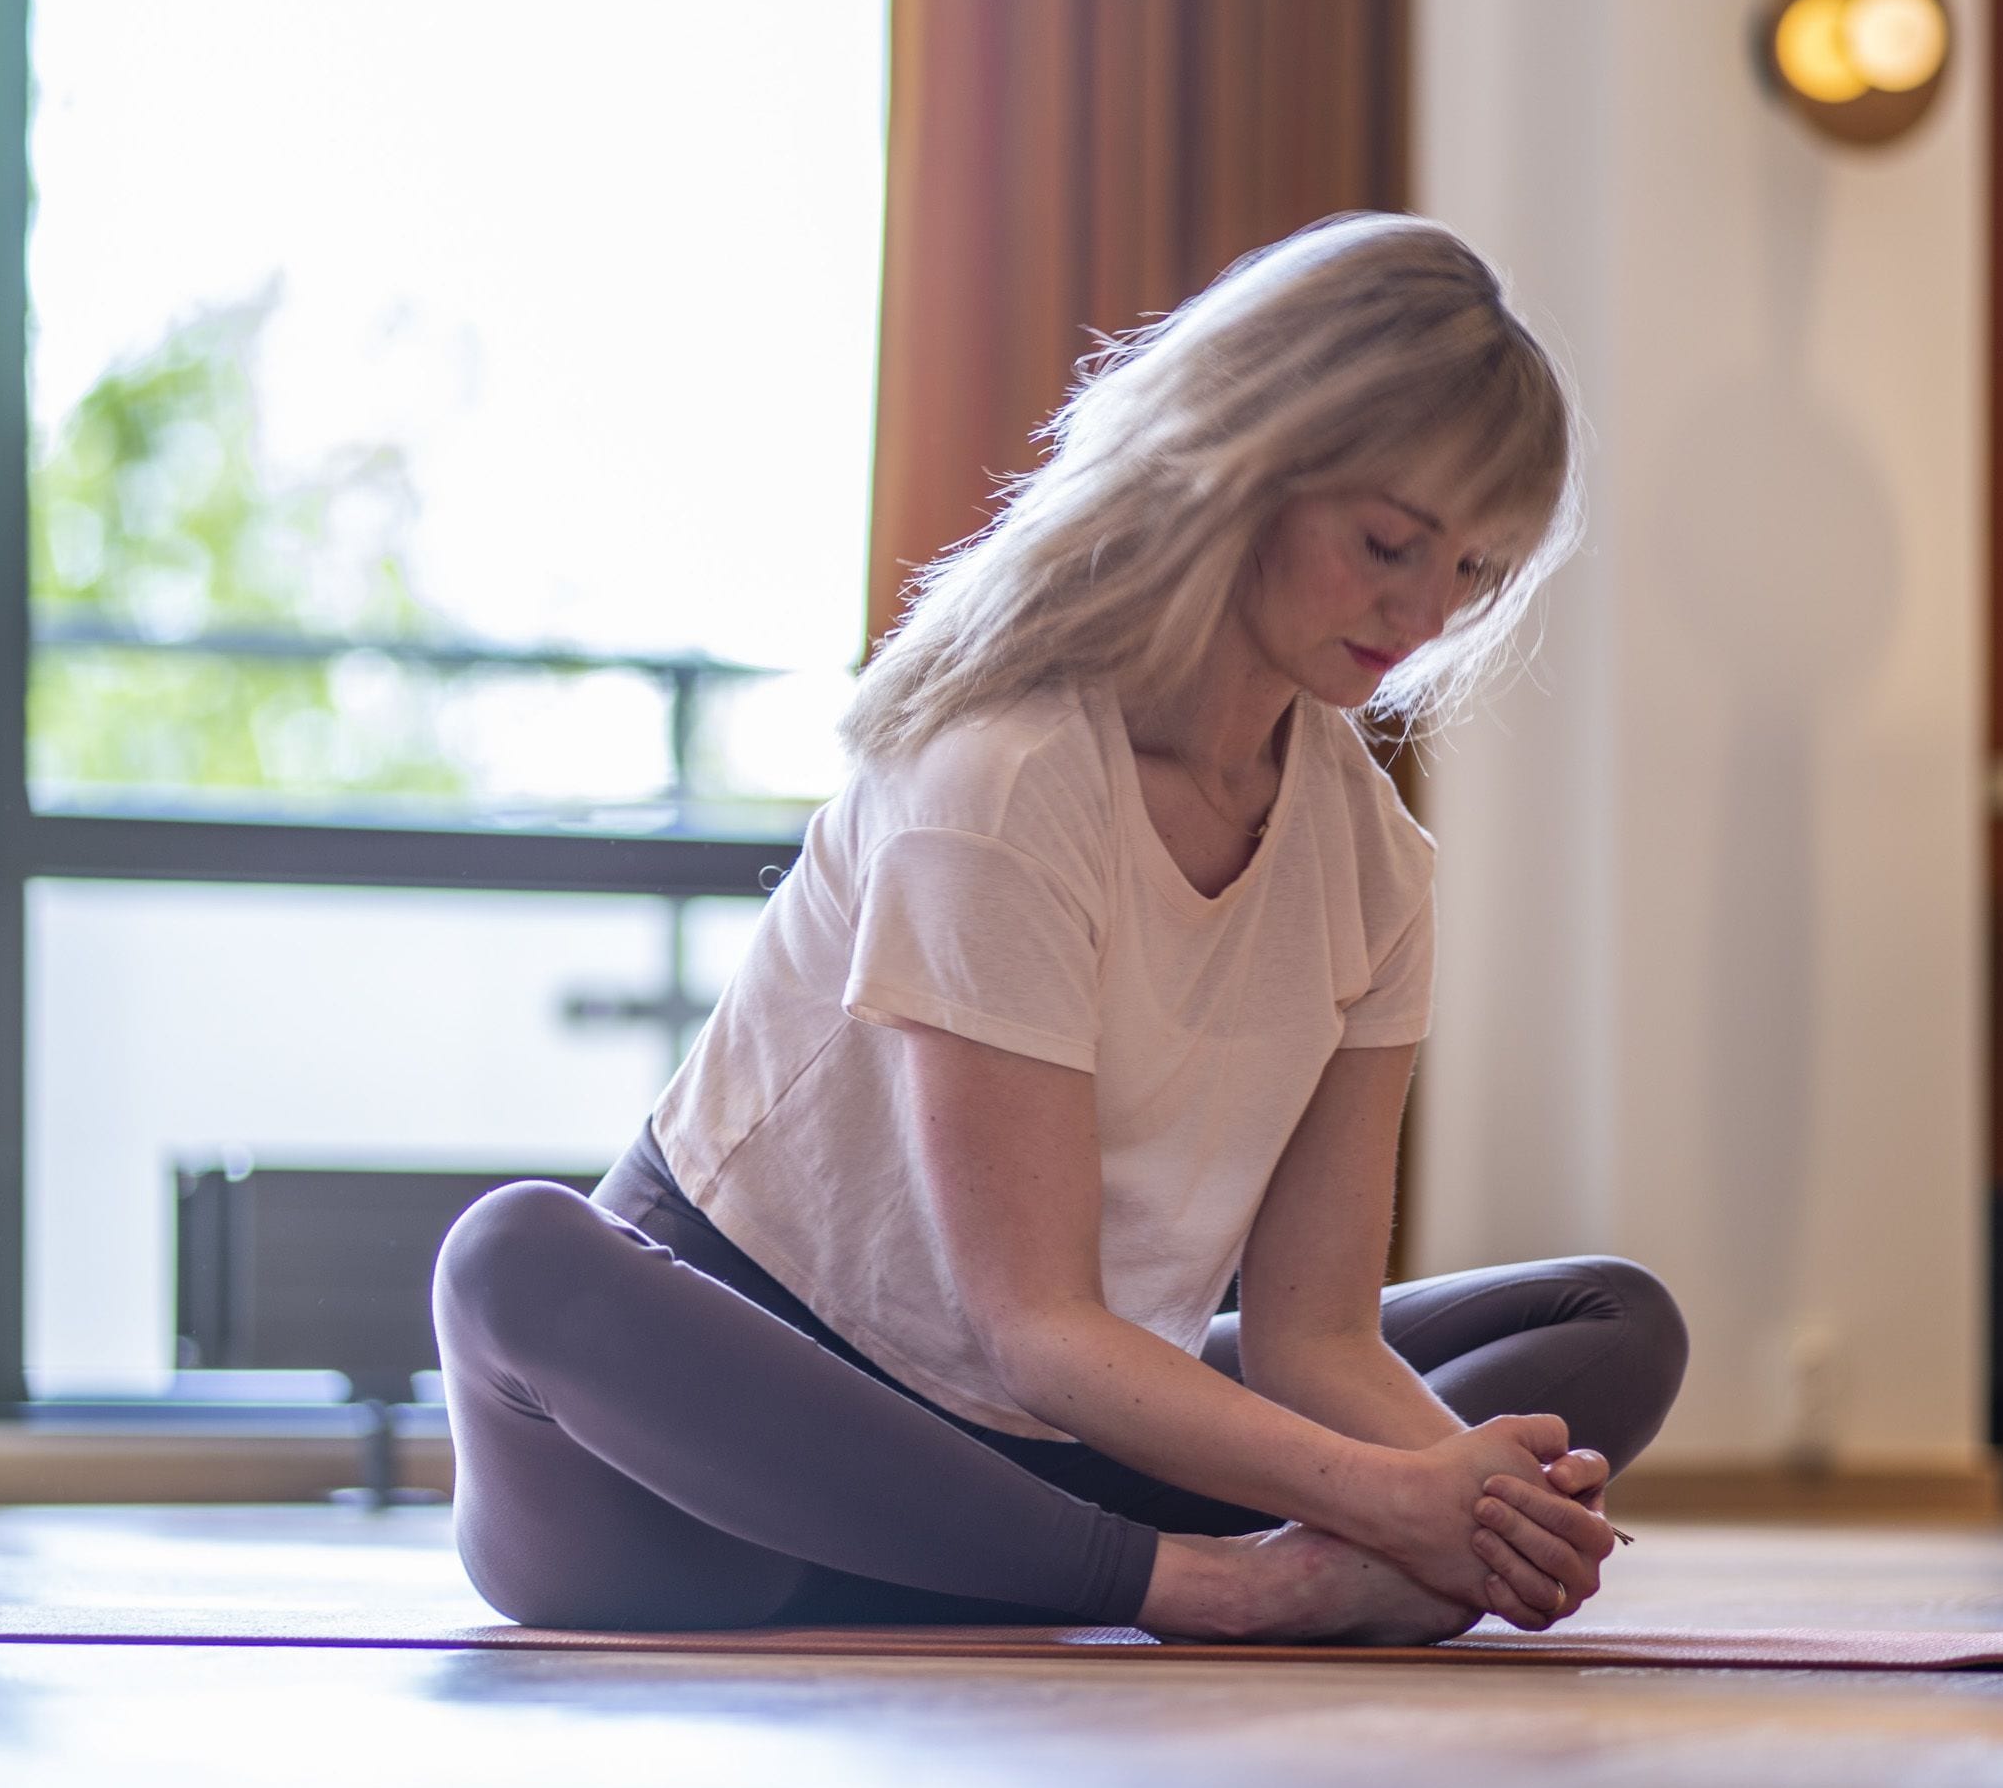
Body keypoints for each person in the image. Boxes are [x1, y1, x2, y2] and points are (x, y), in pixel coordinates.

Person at [433, 214, 1687, 1642]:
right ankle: (1211, 1583)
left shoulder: (1375, 864)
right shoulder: (1004, 775)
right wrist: (1389, 1503)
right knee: (512, 1255)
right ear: (1243, 458)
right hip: (720, 1469)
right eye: (1390, 542)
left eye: (1471, 572)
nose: (1420, 613)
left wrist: (1463, 1498)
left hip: (1051, 1445)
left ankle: (1083, 1560)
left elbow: (1312, 1336)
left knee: (1609, 1324)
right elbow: (1034, 1327)